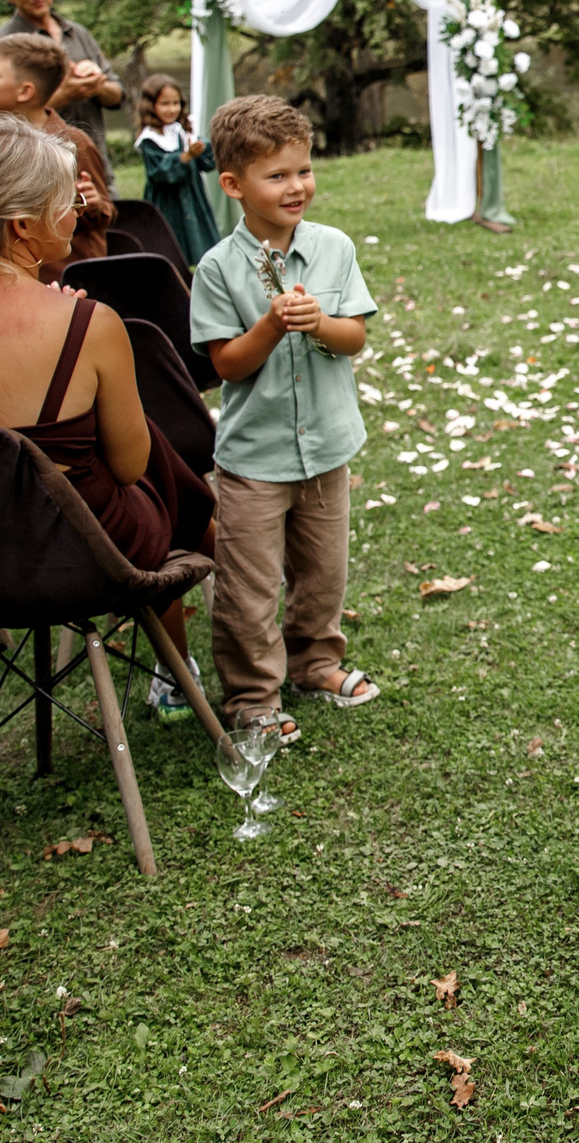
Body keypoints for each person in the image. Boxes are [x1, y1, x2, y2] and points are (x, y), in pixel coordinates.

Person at [0, 115, 213, 576]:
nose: (76, 211)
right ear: (23, 224)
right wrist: (64, 326)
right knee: (155, 461)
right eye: (67, 199)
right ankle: (223, 554)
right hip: (78, 555)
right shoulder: (87, 324)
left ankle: (219, 547)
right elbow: (130, 468)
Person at [190, 96, 380, 732]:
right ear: (233, 185)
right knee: (247, 589)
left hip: (326, 446)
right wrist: (271, 326)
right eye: (277, 175)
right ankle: (251, 698)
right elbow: (227, 365)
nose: (297, 186)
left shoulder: (334, 248)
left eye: (303, 169)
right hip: (255, 459)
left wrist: (320, 322)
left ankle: (315, 661)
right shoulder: (217, 269)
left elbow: (354, 336)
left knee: (323, 573)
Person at [0, 32, 115, 263]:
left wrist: (92, 204)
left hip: (63, 280)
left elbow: (103, 217)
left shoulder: (74, 144)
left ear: (25, 91)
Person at [0, 0, 123, 142]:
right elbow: (3, 125)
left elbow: (118, 95)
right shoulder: (3, 45)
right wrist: (64, 94)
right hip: (38, 166)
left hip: (93, 160)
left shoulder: (78, 33)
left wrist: (96, 85)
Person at [134, 73, 222, 263]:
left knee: (197, 239)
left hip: (191, 196)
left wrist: (203, 150)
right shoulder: (150, 139)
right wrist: (186, 156)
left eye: (176, 103)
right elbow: (159, 173)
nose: (172, 109)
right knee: (171, 242)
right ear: (151, 105)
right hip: (167, 202)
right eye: (165, 104)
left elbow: (206, 161)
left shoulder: (182, 131)